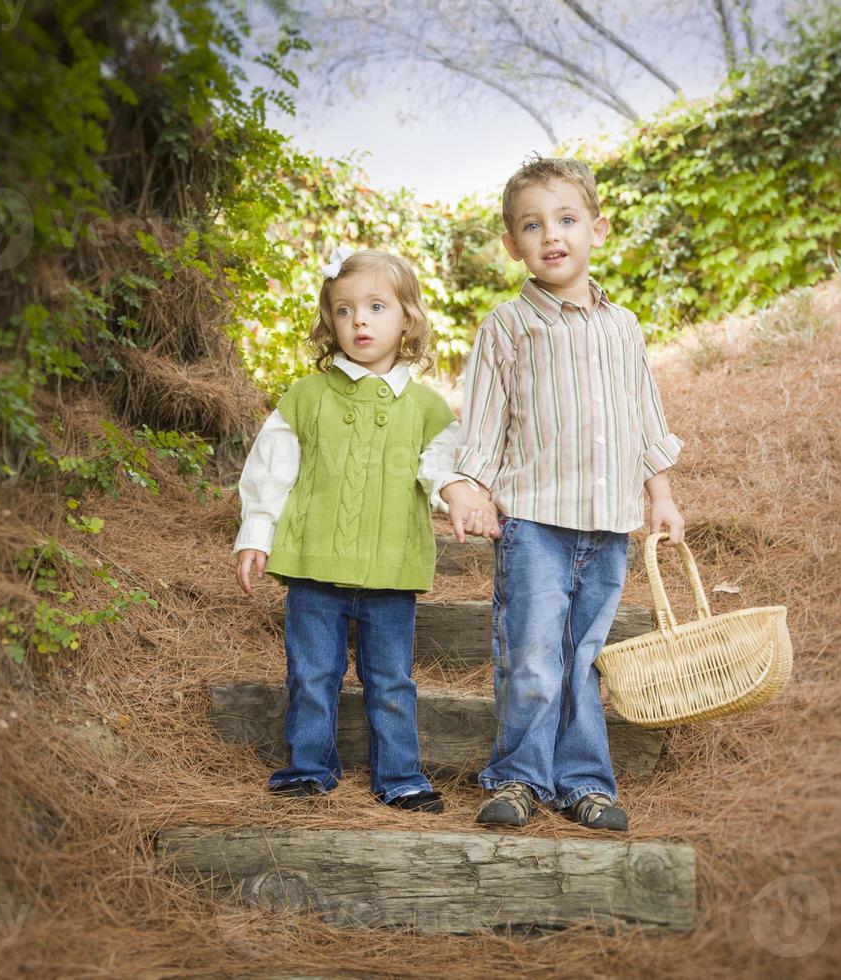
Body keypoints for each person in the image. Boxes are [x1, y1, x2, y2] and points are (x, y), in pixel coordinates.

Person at [440, 156, 686, 833]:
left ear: (597, 229)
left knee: (583, 656)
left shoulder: (624, 327)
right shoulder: (507, 328)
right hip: (536, 523)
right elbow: (485, 426)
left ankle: (583, 782)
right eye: (532, 224)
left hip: (607, 524)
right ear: (512, 243)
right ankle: (520, 777)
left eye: (567, 219)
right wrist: (473, 489)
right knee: (534, 655)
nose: (552, 235)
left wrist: (659, 494)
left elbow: (645, 419)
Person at [233, 247, 498, 812]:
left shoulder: (427, 408)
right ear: (330, 320)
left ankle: (400, 775)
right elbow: (270, 469)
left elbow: (441, 466)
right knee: (311, 673)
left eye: (376, 306)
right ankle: (309, 766)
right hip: (312, 566)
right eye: (345, 309)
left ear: (407, 319)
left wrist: (459, 495)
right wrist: (256, 533)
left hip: (390, 566)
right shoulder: (306, 397)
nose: (360, 321)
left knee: (391, 681)